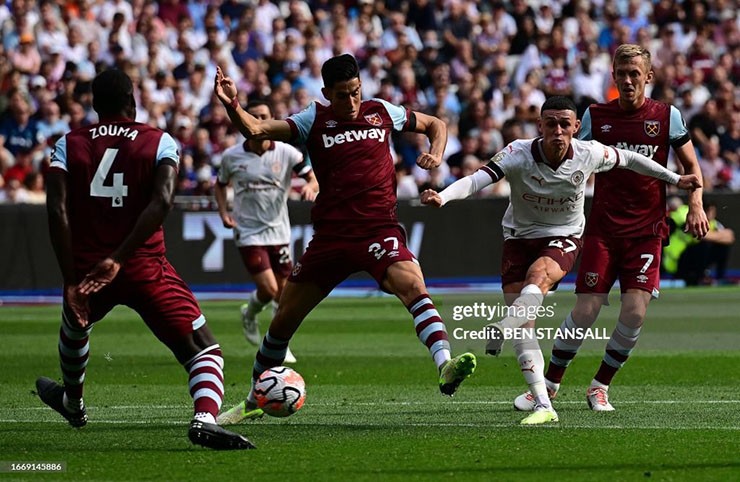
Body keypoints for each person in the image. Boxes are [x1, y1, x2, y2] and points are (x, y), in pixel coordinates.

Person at [214, 54, 477, 424]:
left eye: (355, 92)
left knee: (414, 286)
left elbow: (436, 123)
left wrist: (435, 154)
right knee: (284, 319)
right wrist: (233, 105)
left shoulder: (381, 111)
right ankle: (255, 399)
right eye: (342, 95)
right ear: (326, 93)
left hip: (378, 228)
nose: (351, 102)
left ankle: (445, 364)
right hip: (332, 236)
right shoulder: (313, 119)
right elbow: (256, 131)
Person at [421, 95, 701, 425]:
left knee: (538, 277)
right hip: (518, 237)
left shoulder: (589, 152)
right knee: (525, 328)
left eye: (565, 124)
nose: (558, 131)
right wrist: (443, 196)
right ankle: (543, 403)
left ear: (575, 128)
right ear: (540, 126)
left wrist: (676, 179)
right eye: (550, 124)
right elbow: (476, 180)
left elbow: (630, 159)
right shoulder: (517, 153)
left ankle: (506, 326)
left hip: (564, 235)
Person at [37, 69, 253, 450]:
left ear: (94, 104)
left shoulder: (67, 144)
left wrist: (71, 279)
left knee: (75, 324)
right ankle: (204, 417)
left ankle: (73, 401)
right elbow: (163, 200)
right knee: (205, 349)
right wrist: (120, 257)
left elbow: (56, 211)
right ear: (132, 102)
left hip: (88, 268)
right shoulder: (159, 141)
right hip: (143, 265)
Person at [513, 44, 709, 414]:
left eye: (636, 73)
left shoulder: (668, 117)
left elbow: (691, 166)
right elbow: (572, 159)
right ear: (613, 76)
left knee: (634, 312)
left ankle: (600, 385)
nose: (629, 80)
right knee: (586, 309)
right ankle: (551, 383)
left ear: (648, 76)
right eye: (622, 73)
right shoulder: (595, 116)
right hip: (603, 229)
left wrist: (696, 204)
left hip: (646, 230)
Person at [214, 99, 319, 364]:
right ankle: (261, 327)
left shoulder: (286, 152)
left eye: (265, 116)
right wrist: (224, 212)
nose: (260, 122)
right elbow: (220, 185)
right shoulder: (231, 156)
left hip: (279, 231)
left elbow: (312, 178)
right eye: (255, 116)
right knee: (269, 288)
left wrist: (311, 187)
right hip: (248, 231)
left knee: (283, 293)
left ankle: (267, 330)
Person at [663, 201, 734, 285]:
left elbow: (730, 237)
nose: (712, 215)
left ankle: (720, 278)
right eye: (710, 212)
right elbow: (700, 234)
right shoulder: (689, 217)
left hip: (695, 258)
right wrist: (718, 236)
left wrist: (713, 236)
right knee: (703, 245)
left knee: (722, 246)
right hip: (677, 260)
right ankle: (700, 277)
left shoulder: (713, 223)